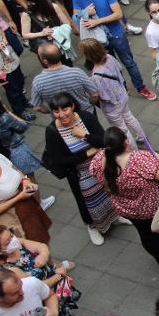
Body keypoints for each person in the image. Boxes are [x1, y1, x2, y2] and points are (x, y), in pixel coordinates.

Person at [41, 94, 120, 246]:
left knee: (109, 193)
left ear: (72, 106)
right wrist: (86, 154)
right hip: (80, 174)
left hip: (101, 167)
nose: (61, 115)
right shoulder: (52, 131)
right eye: (56, 111)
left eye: (65, 109)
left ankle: (115, 217)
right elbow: (59, 160)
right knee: (88, 202)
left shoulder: (86, 117)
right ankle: (92, 226)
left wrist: (85, 135)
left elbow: (104, 141)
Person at [68, 0, 156, 101]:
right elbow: (75, 17)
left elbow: (118, 14)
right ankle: (122, 87)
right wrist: (85, 13)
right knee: (110, 65)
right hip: (99, 39)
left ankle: (140, 87)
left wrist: (97, 21)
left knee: (129, 62)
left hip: (116, 34)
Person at [91, 127, 159, 269]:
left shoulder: (99, 160)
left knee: (146, 234)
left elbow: (94, 172)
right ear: (126, 143)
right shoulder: (138, 160)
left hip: (127, 209)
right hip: (153, 206)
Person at [78, 39, 151, 152]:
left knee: (123, 129)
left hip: (112, 106)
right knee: (129, 117)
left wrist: (92, 99)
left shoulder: (95, 76)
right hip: (122, 95)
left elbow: (103, 96)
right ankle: (143, 137)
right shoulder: (109, 58)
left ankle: (134, 151)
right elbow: (120, 69)